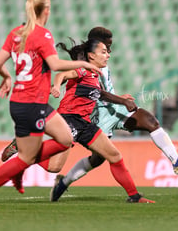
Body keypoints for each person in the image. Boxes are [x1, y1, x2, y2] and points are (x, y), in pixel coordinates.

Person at [2, 27, 178, 201]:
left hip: (111, 109)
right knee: (93, 159)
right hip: (94, 113)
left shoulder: (101, 58)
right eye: (107, 46)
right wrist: (54, 85)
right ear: (96, 45)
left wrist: (119, 97)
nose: (110, 51)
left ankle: (175, 161)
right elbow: (81, 81)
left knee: (149, 121)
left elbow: (100, 87)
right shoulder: (88, 59)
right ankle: (61, 180)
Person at [0, 0, 101, 210]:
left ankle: (19, 166)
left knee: (65, 138)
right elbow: (55, 64)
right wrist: (85, 65)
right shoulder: (43, 35)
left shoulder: (16, 33)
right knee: (29, 156)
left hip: (25, 102)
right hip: (31, 104)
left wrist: (7, 77)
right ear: (46, 11)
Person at [46, 39, 154, 203]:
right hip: (68, 119)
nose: (108, 55)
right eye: (103, 52)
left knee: (114, 155)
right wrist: (56, 86)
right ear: (91, 56)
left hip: (84, 123)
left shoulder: (95, 76)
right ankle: (23, 147)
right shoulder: (82, 70)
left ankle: (134, 196)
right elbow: (62, 74)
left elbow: (102, 95)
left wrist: (121, 99)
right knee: (54, 167)